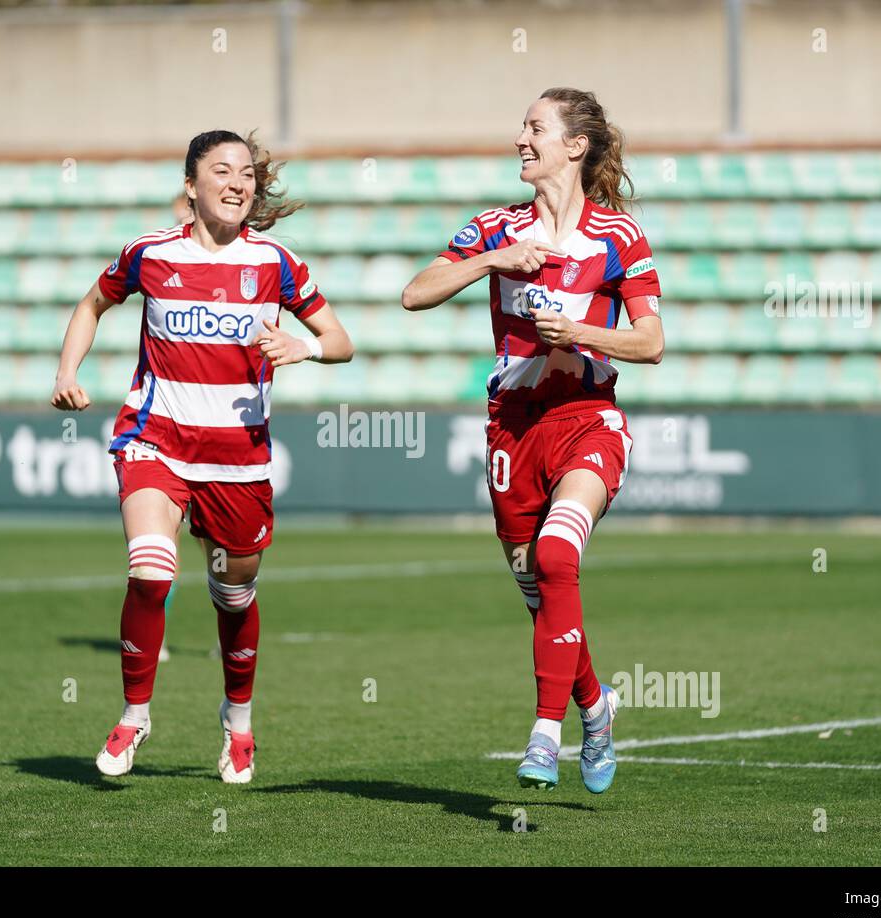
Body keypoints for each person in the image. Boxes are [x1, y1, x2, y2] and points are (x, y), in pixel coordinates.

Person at [52, 130, 354, 782]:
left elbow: (340, 340)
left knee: (234, 596)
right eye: (222, 170)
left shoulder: (276, 262)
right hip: (155, 440)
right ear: (191, 186)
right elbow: (92, 303)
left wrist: (307, 349)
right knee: (151, 571)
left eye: (246, 172)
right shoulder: (149, 254)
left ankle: (238, 722)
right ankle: (135, 715)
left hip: (239, 460)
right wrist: (66, 371)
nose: (238, 182)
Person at [401, 88, 664, 793]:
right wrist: (492, 262)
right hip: (510, 431)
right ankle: (596, 709)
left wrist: (578, 334)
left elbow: (650, 342)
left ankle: (546, 736)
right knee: (542, 593)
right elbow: (415, 293)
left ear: (575, 146)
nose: (521, 137)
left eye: (535, 127)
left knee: (557, 553)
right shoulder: (494, 227)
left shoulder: (618, 238)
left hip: (586, 419)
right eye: (522, 125)